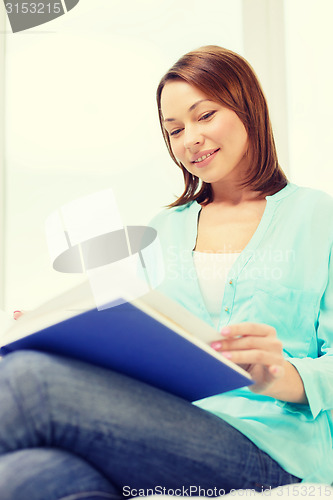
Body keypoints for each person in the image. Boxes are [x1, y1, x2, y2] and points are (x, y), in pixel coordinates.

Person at [0, 45, 332, 500]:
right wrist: (58, 328)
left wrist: (279, 374)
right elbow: (136, 335)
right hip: (161, 431)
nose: (189, 138)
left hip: (271, 449)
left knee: (28, 380)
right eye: (174, 130)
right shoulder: (162, 229)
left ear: (248, 107)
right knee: (27, 475)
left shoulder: (320, 218)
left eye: (205, 115)